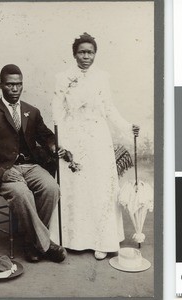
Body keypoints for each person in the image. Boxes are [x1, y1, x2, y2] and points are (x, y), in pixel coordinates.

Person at [50, 33, 140, 260]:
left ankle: (102, 241)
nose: (86, 56)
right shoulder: (62, 78)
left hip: (98, 139)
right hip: (72, 139)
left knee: (99, 188)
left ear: (95, 54)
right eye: (82, 52)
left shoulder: (102, 78)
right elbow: (57, 112)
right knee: (75, 189)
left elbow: (109, 109)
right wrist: (60, 143)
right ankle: (69, 239)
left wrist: (129, 127)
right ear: (74, 54)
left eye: (90, 52)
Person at [0, 64, 67, 263]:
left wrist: (53, 145)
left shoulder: (32, 111)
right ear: (1, 85)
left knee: (51, 188)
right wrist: (1, 174)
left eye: (18, 85)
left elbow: (46, 136)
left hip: (30, 166)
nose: (15, 89)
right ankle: (45, 245)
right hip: (4, 170)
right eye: (10, 85)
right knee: (22, 193)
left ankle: (32, 241)